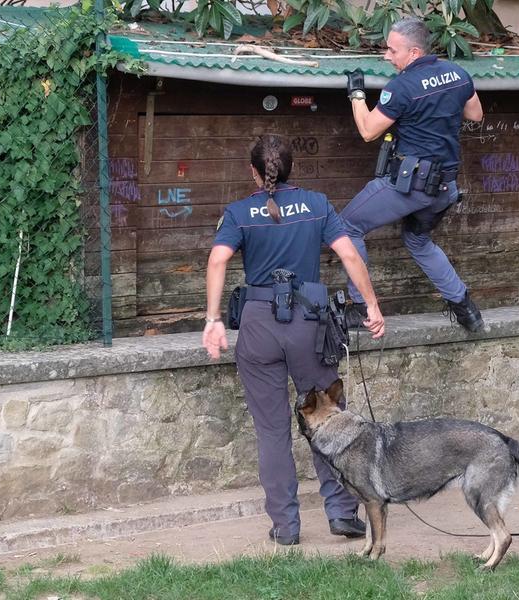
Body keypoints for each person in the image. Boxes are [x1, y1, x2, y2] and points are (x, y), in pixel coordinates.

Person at [202, 135, 385, 545]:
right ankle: (341, 513)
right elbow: (350, 255)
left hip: (258, 327)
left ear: (254, 172)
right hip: (309, 324)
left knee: (272, 432)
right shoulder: (318, 205)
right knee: (329, 417)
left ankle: (286, 527)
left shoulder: (239, 212)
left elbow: (217, 259)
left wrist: (213, 319)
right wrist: (370, 304)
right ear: (290, 169)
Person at [341, 16, 485, 332]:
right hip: (445, 188)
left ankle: (362, 310)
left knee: (347, 226)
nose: (386, 56)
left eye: (393, 51)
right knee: (417, 239)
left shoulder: (402, 87)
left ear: (414, 53)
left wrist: (356, 95)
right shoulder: (458, 74)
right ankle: (466, 309)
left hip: (410, 186)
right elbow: (475, 114)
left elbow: (367, 131)